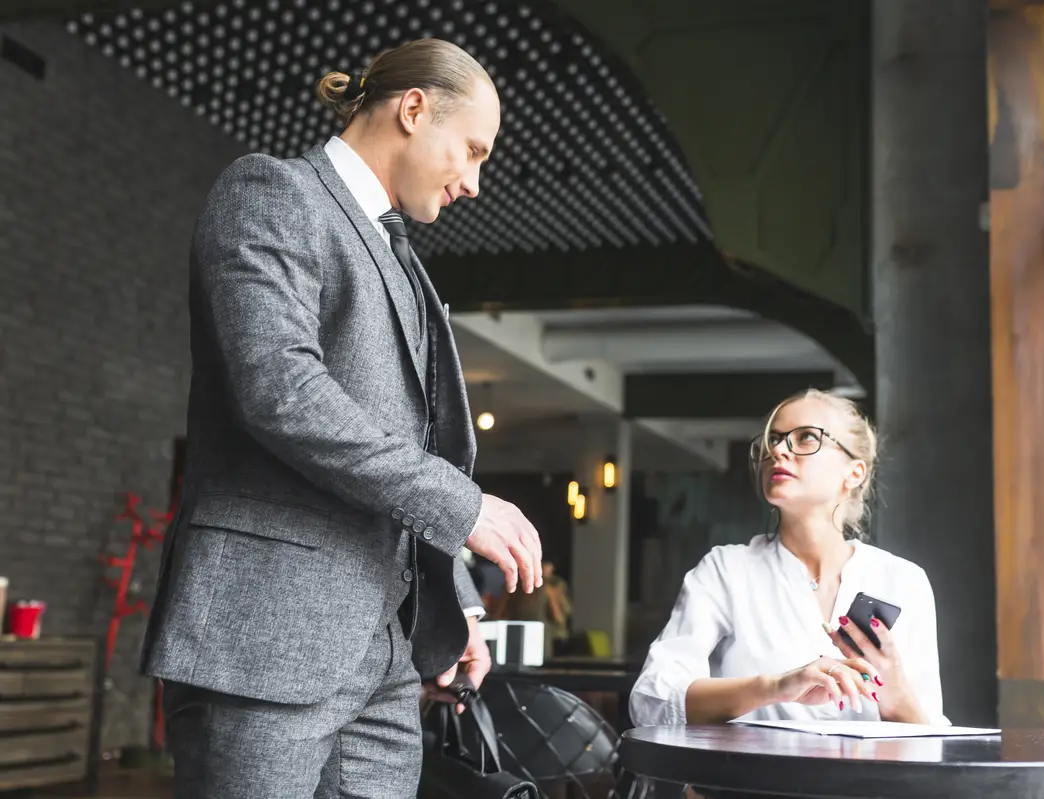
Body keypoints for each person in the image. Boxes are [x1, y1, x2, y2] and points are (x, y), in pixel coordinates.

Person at [140, 39, 544, 798]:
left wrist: (453, 597)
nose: (476, 182)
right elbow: (280, 388)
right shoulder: (272, 191)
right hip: (263, 637)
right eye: (473, 150)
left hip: (388, 658)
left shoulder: (405, 261)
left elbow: (408, 446)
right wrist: (465, 508)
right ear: (414, 108)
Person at [630, 389, 948, 727]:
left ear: (854, 473)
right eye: (773, 440)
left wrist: (894, 688)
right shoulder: (726, 570)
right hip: (748, 780)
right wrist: (775, 687)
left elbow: (930, 743)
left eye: (807, 437)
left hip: (869, 780)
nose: (778, 450)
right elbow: (652, 701)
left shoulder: (903, 580)